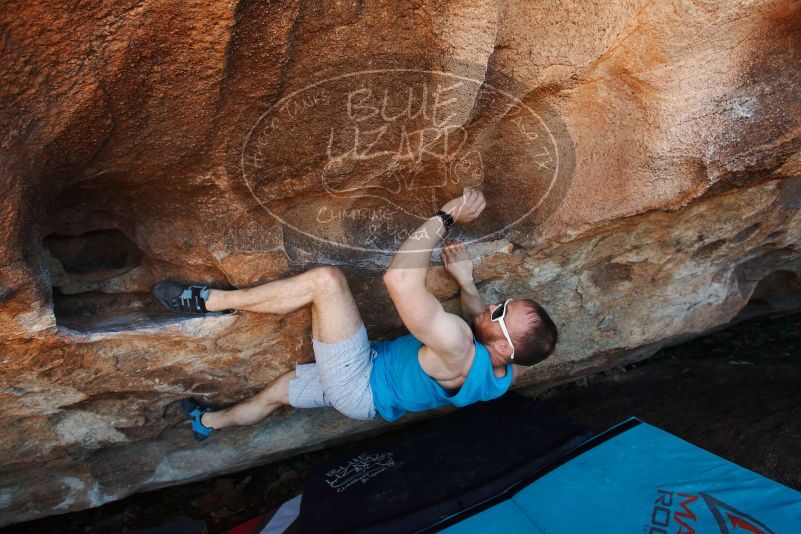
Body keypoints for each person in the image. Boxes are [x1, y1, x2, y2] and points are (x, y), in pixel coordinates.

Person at [151, 188, 558, 441]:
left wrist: (446, 217)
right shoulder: (507, 372)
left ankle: (207, 302)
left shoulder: (457, 343)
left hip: (359, 381)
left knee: (326, 281)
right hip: (368, 398)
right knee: (278, 392)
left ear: (504, 343)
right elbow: (481, 330)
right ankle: (207, 423)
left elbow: (399, 281)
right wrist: (466, 283)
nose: (492, 305)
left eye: (500, 310)